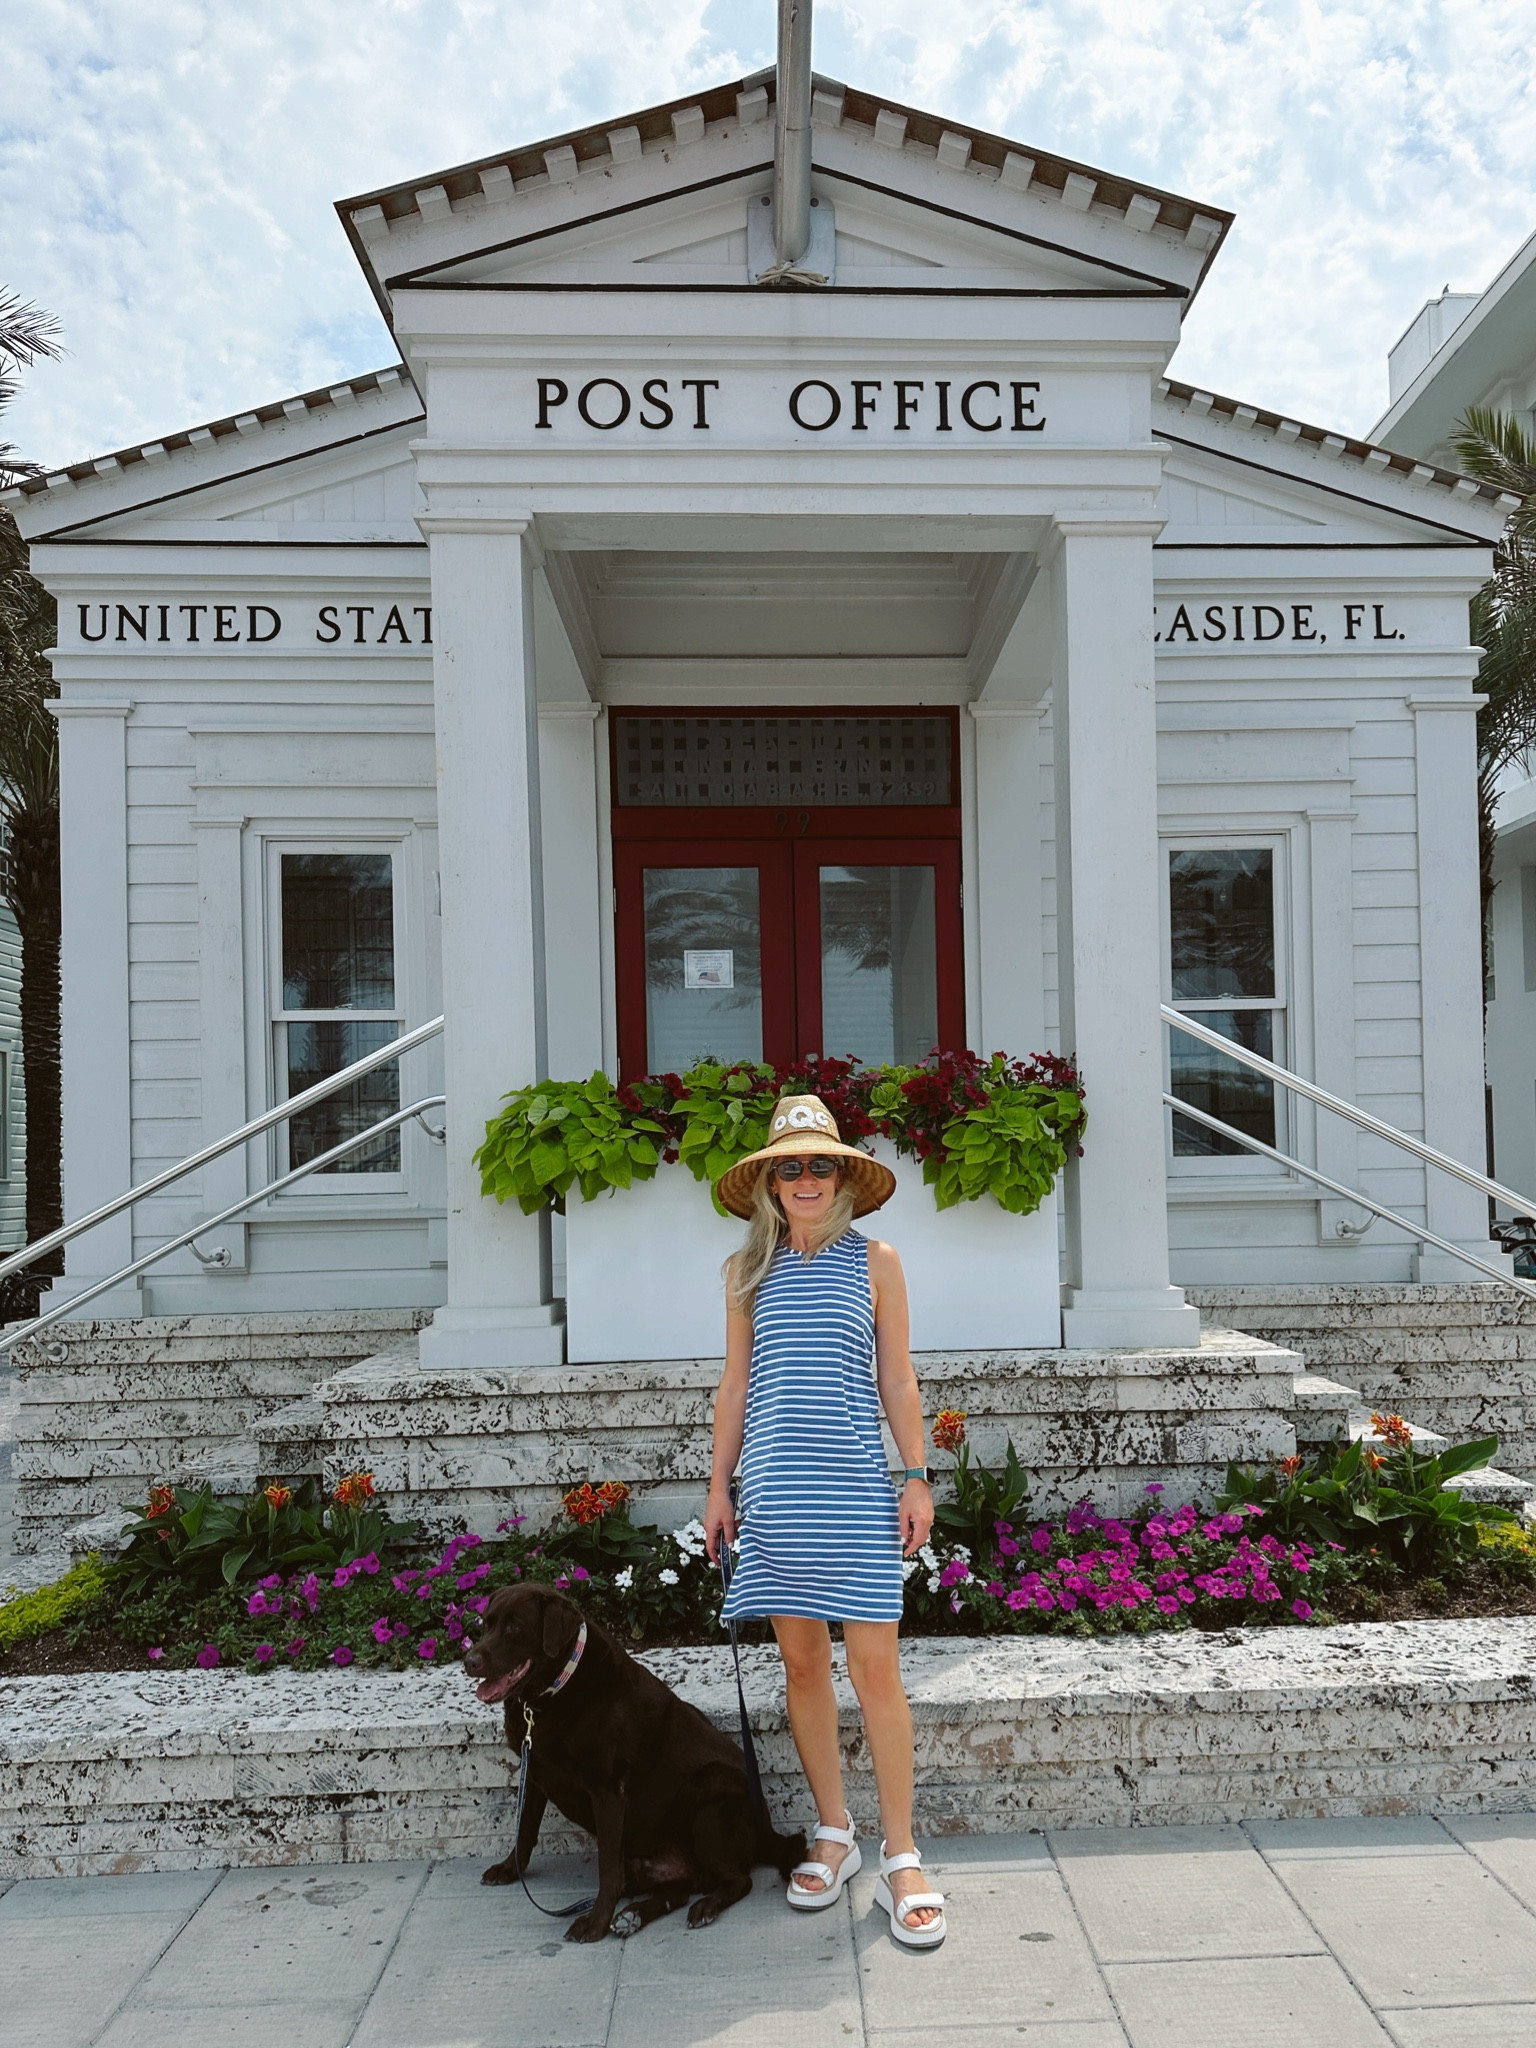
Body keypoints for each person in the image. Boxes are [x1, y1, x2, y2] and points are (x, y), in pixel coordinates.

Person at [703, 1093, 947, 1950]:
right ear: (770, 1183)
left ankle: (902, 1856)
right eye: (789, 1167)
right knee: (803, 1667)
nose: (805, 1179)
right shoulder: (746, 1271)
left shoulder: (876, 1261)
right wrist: (719, 1487)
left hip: (853, 1490)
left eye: (820, 1165)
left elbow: (898, 1378)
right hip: (775, 1492)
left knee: (877, 1673)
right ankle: (834, 1832)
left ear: (842, 1178)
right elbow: (735, 1385)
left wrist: (915, 1477)